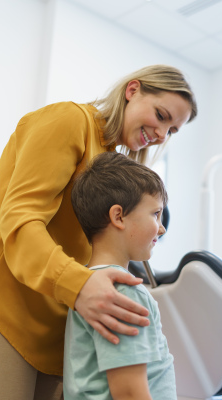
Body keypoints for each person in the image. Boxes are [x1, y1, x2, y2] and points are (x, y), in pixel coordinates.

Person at [0, 64, 197, 399]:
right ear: (133, 91)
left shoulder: (110, 165)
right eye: (161, 115)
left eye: (171, 130)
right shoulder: (70, 121)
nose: (161, 133)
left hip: (50, 331)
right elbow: (21, 218)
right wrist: (80, 285)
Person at [65, 151, 174, 399]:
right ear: (118, 216)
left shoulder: (88, 288)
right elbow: (129, 393)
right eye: (155, 214)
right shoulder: (120, 291)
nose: (162, 227)